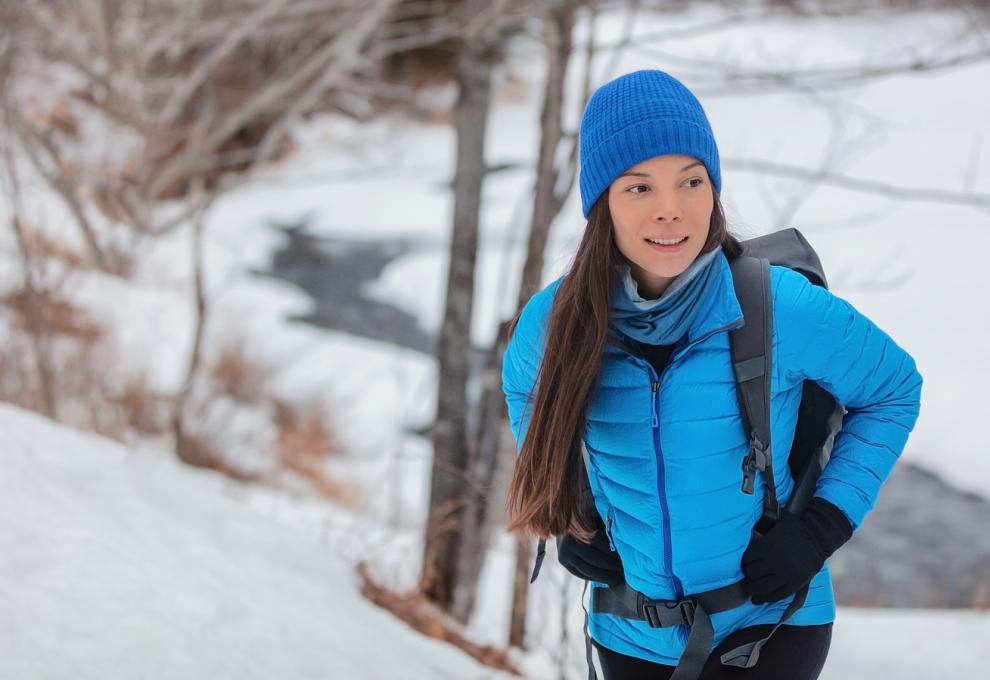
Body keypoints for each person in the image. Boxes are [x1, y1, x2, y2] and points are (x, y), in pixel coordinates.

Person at [501, 69, 923, 680]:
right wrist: (573, 506)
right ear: (603, 205)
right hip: (631, 631)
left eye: (690, 182)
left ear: (713, 190)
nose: (670, 211)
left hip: (769, 625)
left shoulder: (776, 307)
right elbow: (525, 391)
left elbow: (893, 390)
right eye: (639, 187)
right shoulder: (556, 321)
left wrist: (821, 529)